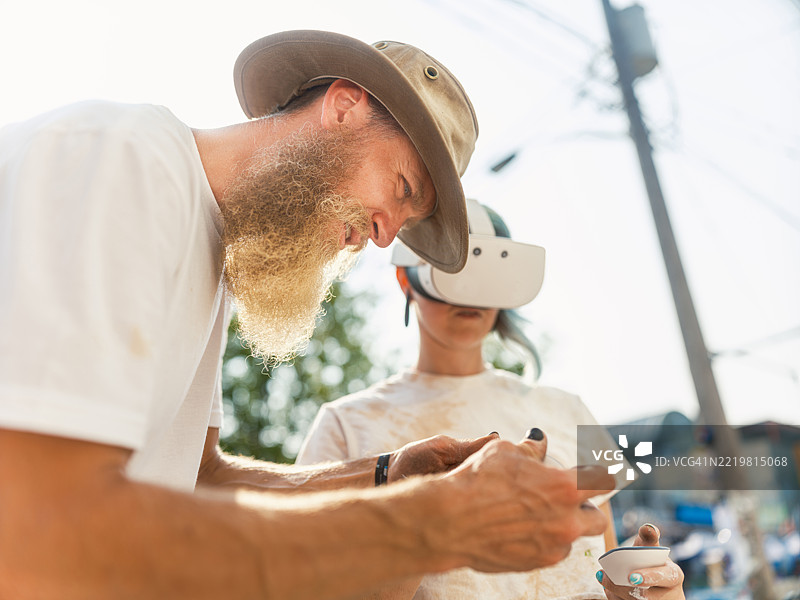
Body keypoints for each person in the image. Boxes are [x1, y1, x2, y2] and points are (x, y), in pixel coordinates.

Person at [0, 31, 614, 599]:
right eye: (401, 189)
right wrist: (437, 522)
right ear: (344, 105)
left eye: (406, 223)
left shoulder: (211, 253)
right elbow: (36, 524)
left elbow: (202, 474)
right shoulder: (126, 164)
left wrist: (387, 472)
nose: (382, 238)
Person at [298, 200, 685, 599]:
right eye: (451, 268)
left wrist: (645, 589)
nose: (471, 293)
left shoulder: (566, 409)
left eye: (487, 272)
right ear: (405, 279)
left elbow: (600, 569)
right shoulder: (345, 425)